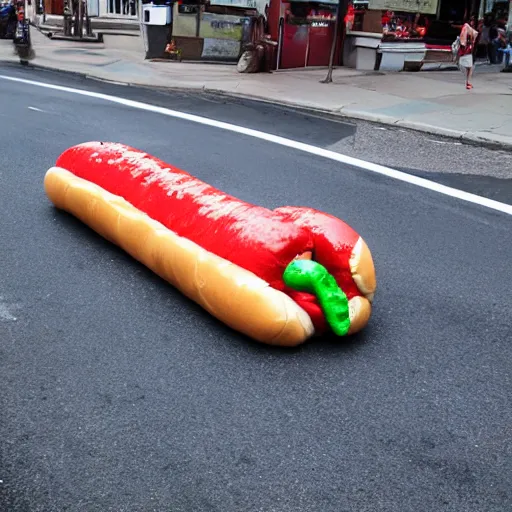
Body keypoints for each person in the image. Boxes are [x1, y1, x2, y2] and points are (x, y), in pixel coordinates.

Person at [458, 17, 479, 89]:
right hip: (467, 49)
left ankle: (468, 82)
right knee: (469, 67)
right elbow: (464, 38)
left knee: (469, 67)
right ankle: (468, 82)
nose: (473, 22)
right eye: (472, 20)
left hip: (467, 49)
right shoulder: (467, 27)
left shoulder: (467, 27)